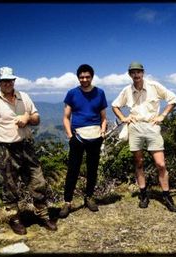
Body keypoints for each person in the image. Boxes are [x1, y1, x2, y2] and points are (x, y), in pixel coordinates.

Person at [0, 66, 57, 235]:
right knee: (10, 185)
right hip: (5, 149)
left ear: (14, 81)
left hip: (26, 146)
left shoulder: (24, 97)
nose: (8, 83)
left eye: (10, 80)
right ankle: (14, 218)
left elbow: (37, 118)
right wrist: (1, 135)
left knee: (38, 181)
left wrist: (27, 117)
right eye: (4, 81)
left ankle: (42, 215)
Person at [112, 62, 176, 212]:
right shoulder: (127, 90)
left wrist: (162, 115)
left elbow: (173, 99)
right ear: (130, 75)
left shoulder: (154, 86)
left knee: (160, 164)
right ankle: (143, 194)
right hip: (135, 127)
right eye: (133, 72)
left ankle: (166, 196)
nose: (136, 75)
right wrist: (123, 118)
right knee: (139, 162)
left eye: (138, 72)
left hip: (152, 126)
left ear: (143, 73)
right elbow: (115, 105)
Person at [59, 64, 108, 218]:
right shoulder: (72, 93)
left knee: (92, 169)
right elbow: (66, 117)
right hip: (78, 137)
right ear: (78, 77)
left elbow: (103, 118)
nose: (84, 79)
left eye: (87, 77)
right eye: (81, 77)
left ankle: (89, 197)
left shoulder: (100, 93)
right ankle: (67, 202)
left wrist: (102, 131)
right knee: (73, 170)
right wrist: (70, 136)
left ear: (92, 77)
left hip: (95, 136)